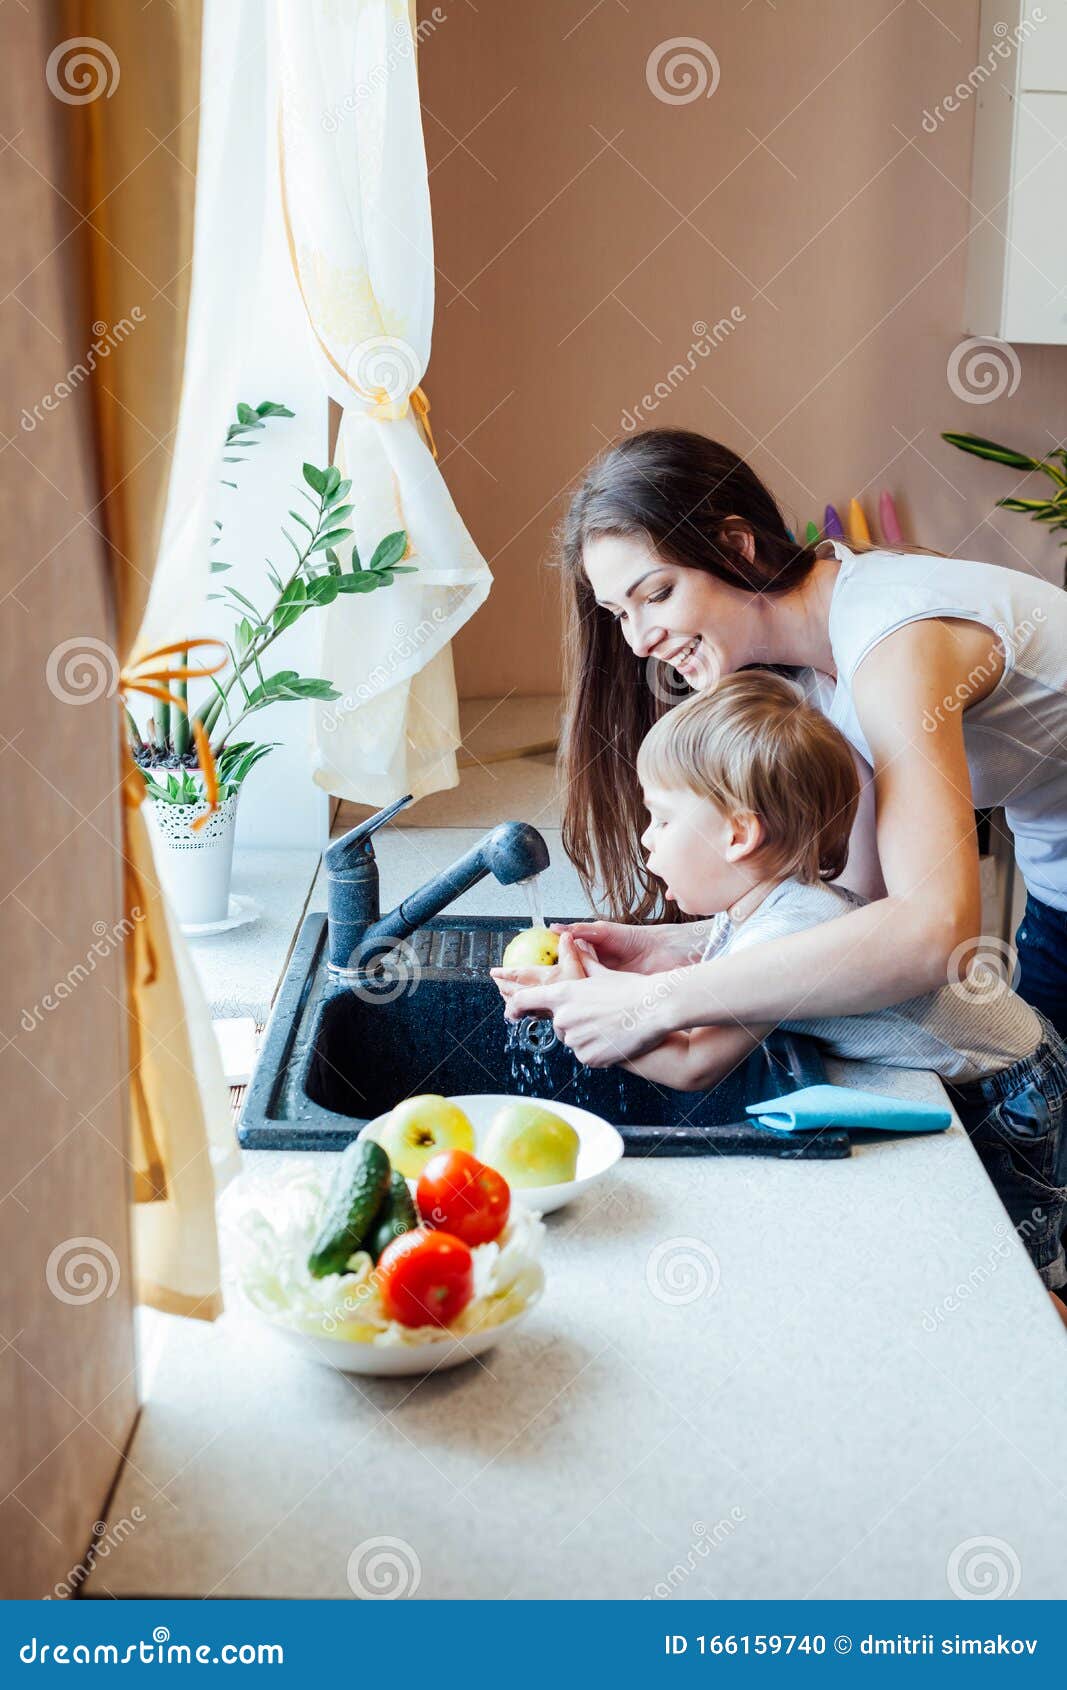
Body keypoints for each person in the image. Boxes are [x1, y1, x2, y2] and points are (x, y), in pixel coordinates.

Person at [492, 673, 1067, 1322]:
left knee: (1019, 1287)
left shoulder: (791, 924)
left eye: (663, 817)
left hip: (1006, 1088)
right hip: (1007, 1058)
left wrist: (580, 1005)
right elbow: (715, 961)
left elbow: (692, 1063)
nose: (647, 836)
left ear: (738, 835)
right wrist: (643, 952)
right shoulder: (767, 904)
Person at [507, 428, 1067, 1064]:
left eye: (657, 594)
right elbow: (852, 908)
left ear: (737, 548)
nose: (638, 642)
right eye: (618, 613)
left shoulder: (892, 648)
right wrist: (680, 948)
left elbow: (934, 933)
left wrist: (663, 998)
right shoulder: (804, 683)